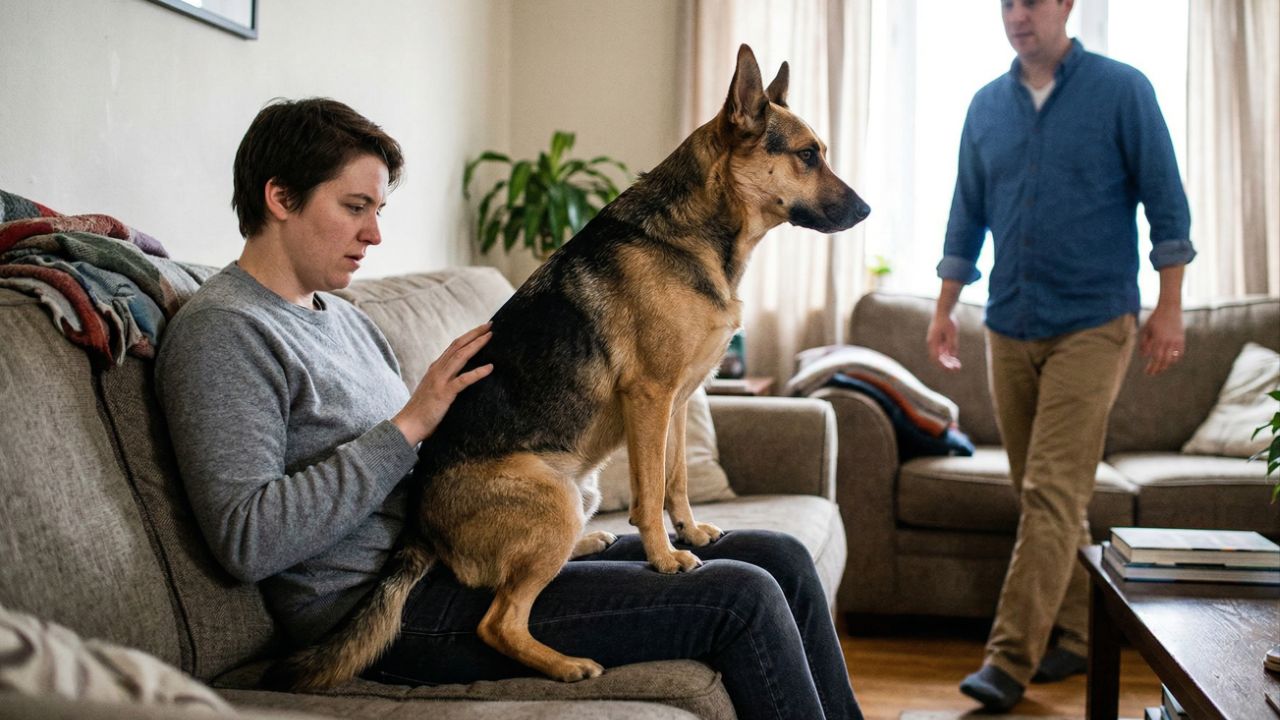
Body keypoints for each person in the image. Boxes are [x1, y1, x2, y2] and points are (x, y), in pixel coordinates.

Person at [155, 97, 862, 720]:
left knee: (780, 557)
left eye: (378, 211)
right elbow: (247, 538)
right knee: (742, 599)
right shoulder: (225, 332)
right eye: (354, 208)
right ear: (280, 198)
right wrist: (410, 423)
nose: (375, 236)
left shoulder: (339, 318)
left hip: (456, 552)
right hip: (382, 608)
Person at [926, 0, 1194, 711]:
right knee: (1047, 495)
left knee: (1048, 493)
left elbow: (1167, 203)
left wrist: (1170, 307)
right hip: (1008, 323)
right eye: (1007, 2)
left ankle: (1009, 661)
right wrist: (946, 307)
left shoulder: (1123, 90)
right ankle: (1076, 634)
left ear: (1068, 4)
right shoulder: (985, 106)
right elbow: (966, 212)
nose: (1018, 14)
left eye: (1034, 0)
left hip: (1094, 322)